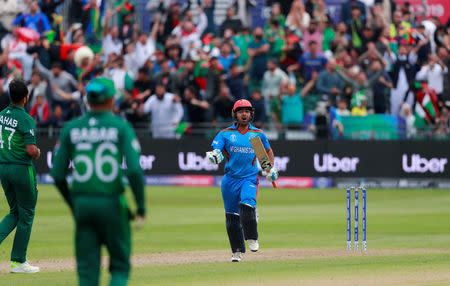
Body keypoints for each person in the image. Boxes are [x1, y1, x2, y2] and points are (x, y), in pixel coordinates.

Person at [51, 77, 146, 286]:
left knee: (87, 272)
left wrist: (73, 203)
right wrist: (140, 206)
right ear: (112, 100)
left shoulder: (71, 128)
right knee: (120, 267)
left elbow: (57, 175)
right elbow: (134, 171)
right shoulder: (120, 127)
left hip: (83, 204)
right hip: (112, 202)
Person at [206, 99, 279, 262]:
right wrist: (215, 156)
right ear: (235, 114)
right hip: (230, 180)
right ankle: (237, 251)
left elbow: (265, 153)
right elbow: (216, 150)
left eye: (247, 111)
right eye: (240, 111)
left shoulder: (256, 134)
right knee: (232, 218)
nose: (244, 114)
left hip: (249, 178)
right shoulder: (225, 134)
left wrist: (270, 168)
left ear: (251, 114)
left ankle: (252, 237)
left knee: (246, 205)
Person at [0, 79, 41, 273]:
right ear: (25, 98)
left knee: (15, 211)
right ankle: (18, 261)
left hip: (3, 168)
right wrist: (38, 152)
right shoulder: (25, 119)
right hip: (21, 169)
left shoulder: (1, 115)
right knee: (27, 213)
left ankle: (18, 260)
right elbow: (31, 150)